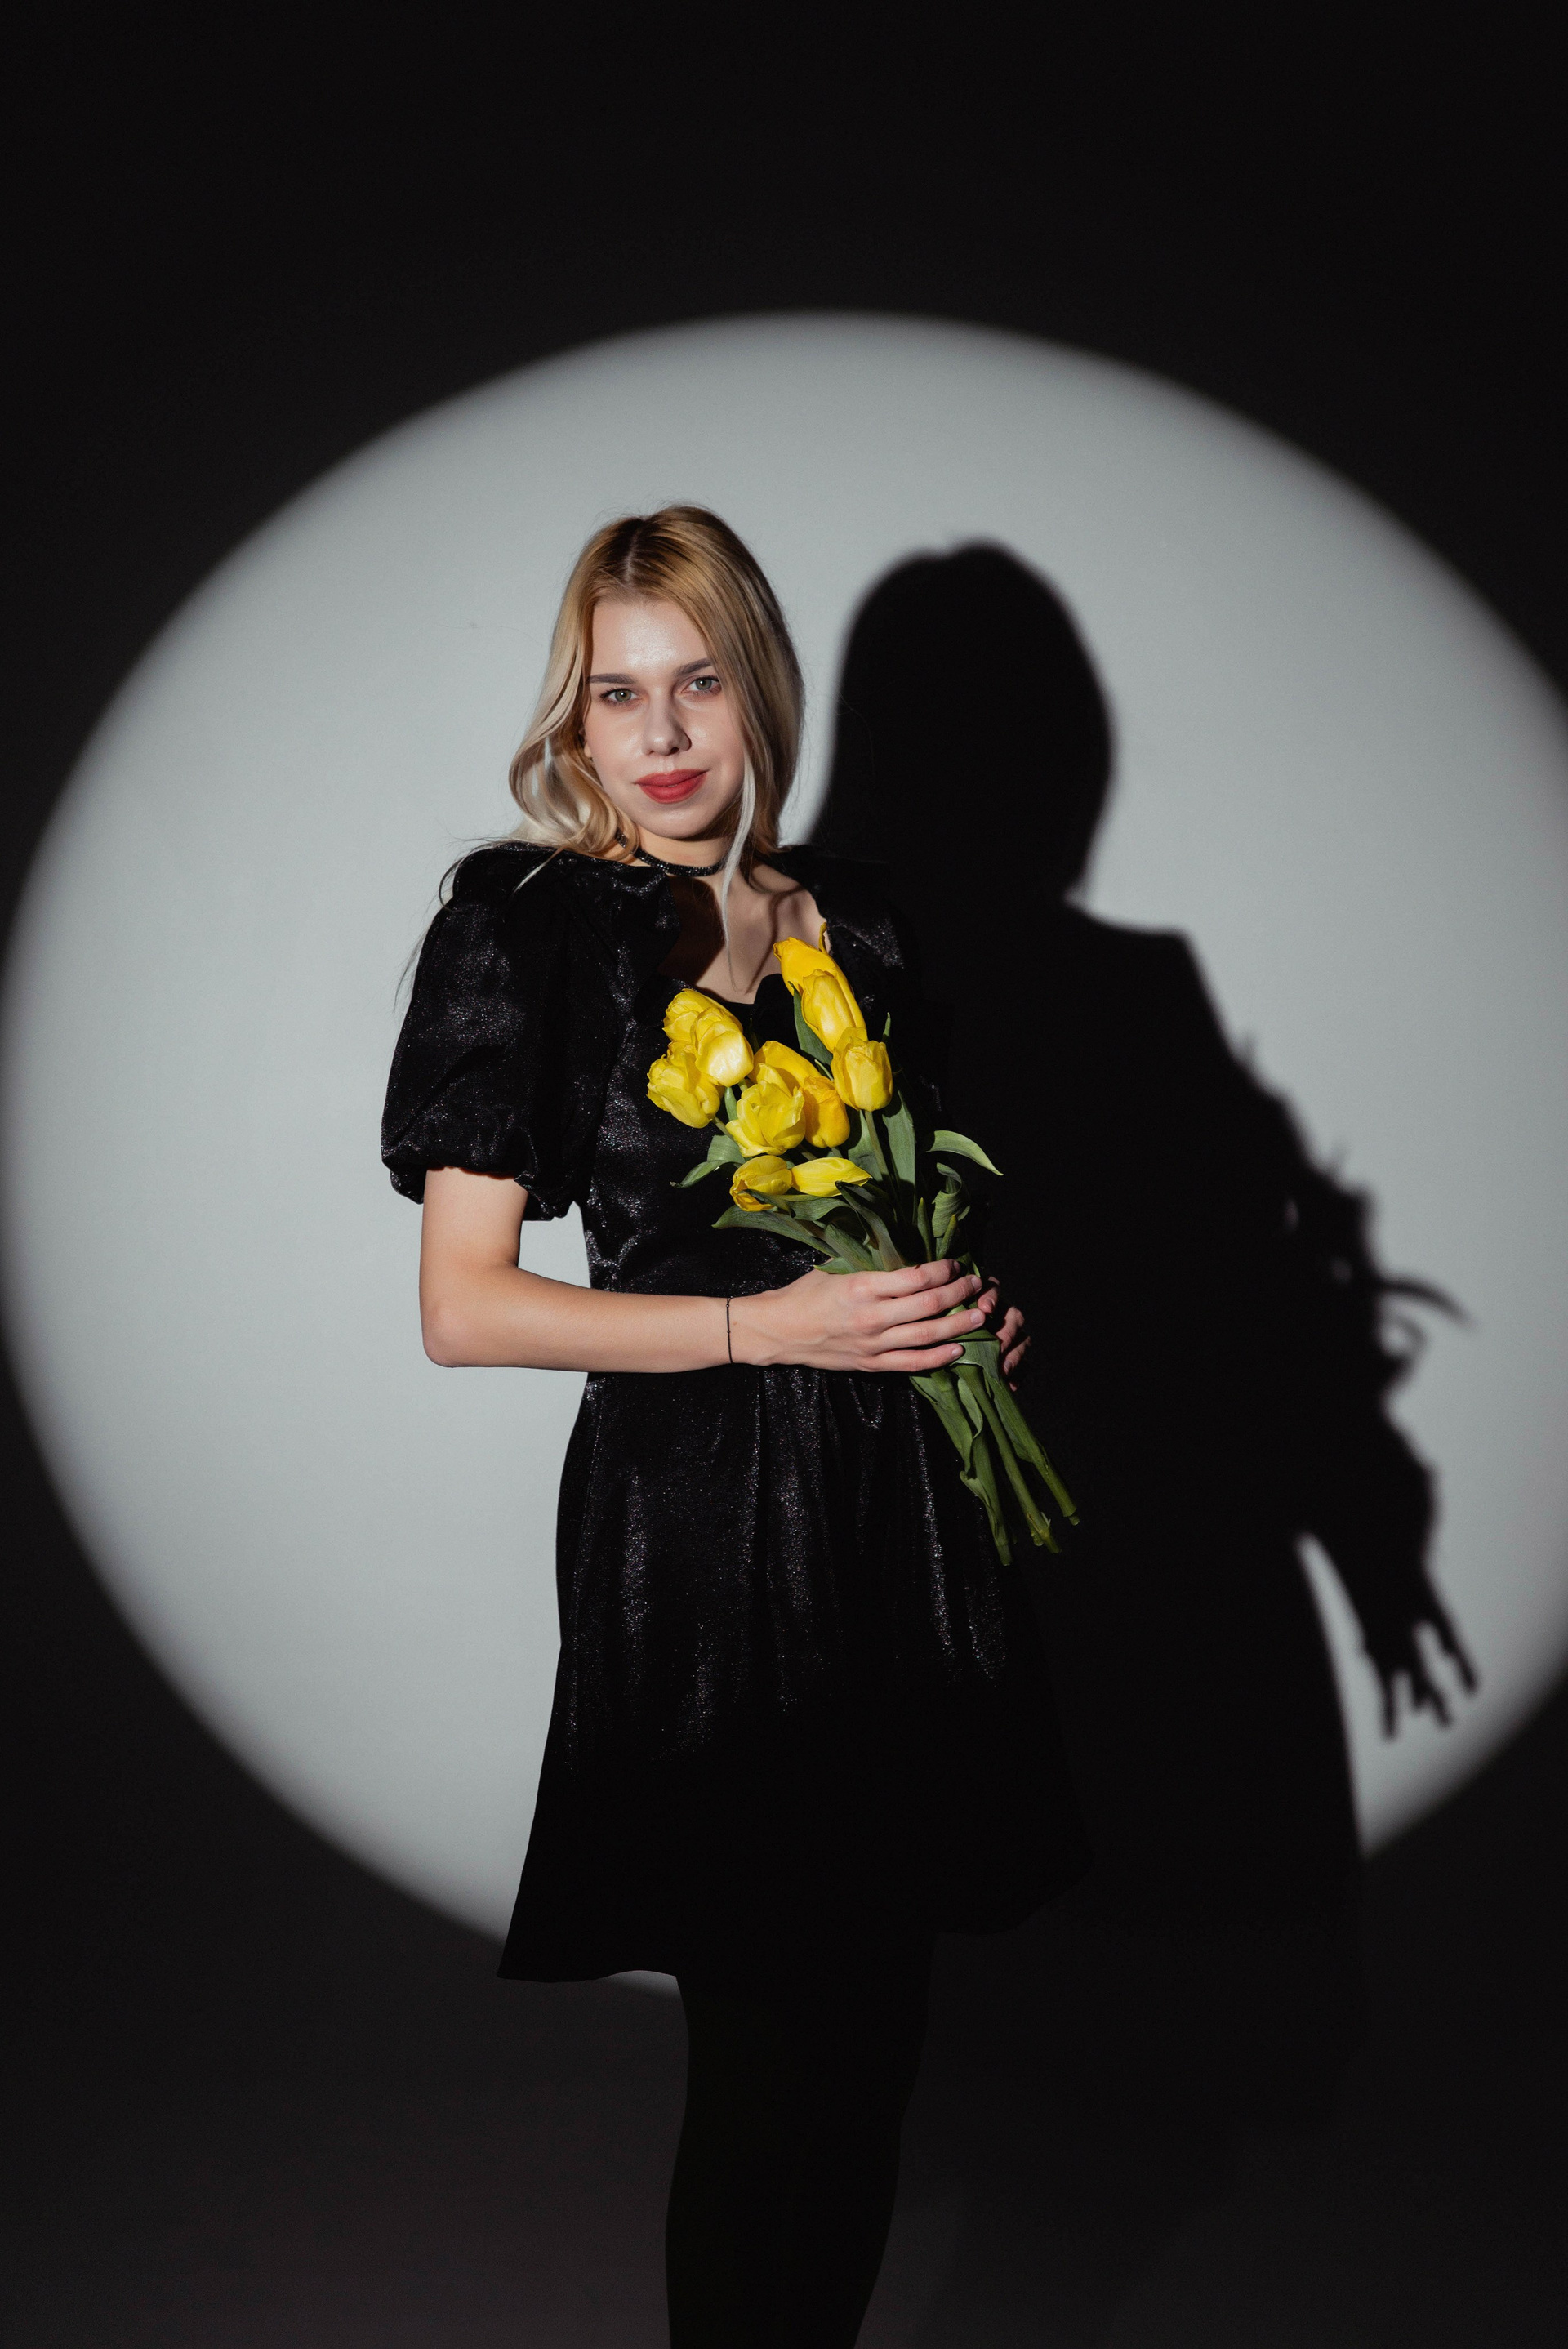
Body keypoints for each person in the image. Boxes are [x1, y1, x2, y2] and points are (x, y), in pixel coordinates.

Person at [381, 508, 1085, 2347]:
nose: (664, 733)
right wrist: (765, 1328)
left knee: (870, 2057)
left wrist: (964, 1311)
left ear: (759, 685)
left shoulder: (863, 920)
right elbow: (465, 1307)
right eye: (619, 694)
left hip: (901, 1522)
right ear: (576, 719)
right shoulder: (524, 928)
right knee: (767, 2065)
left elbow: (907, 1205)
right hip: (700, 1540)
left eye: (697, 681)